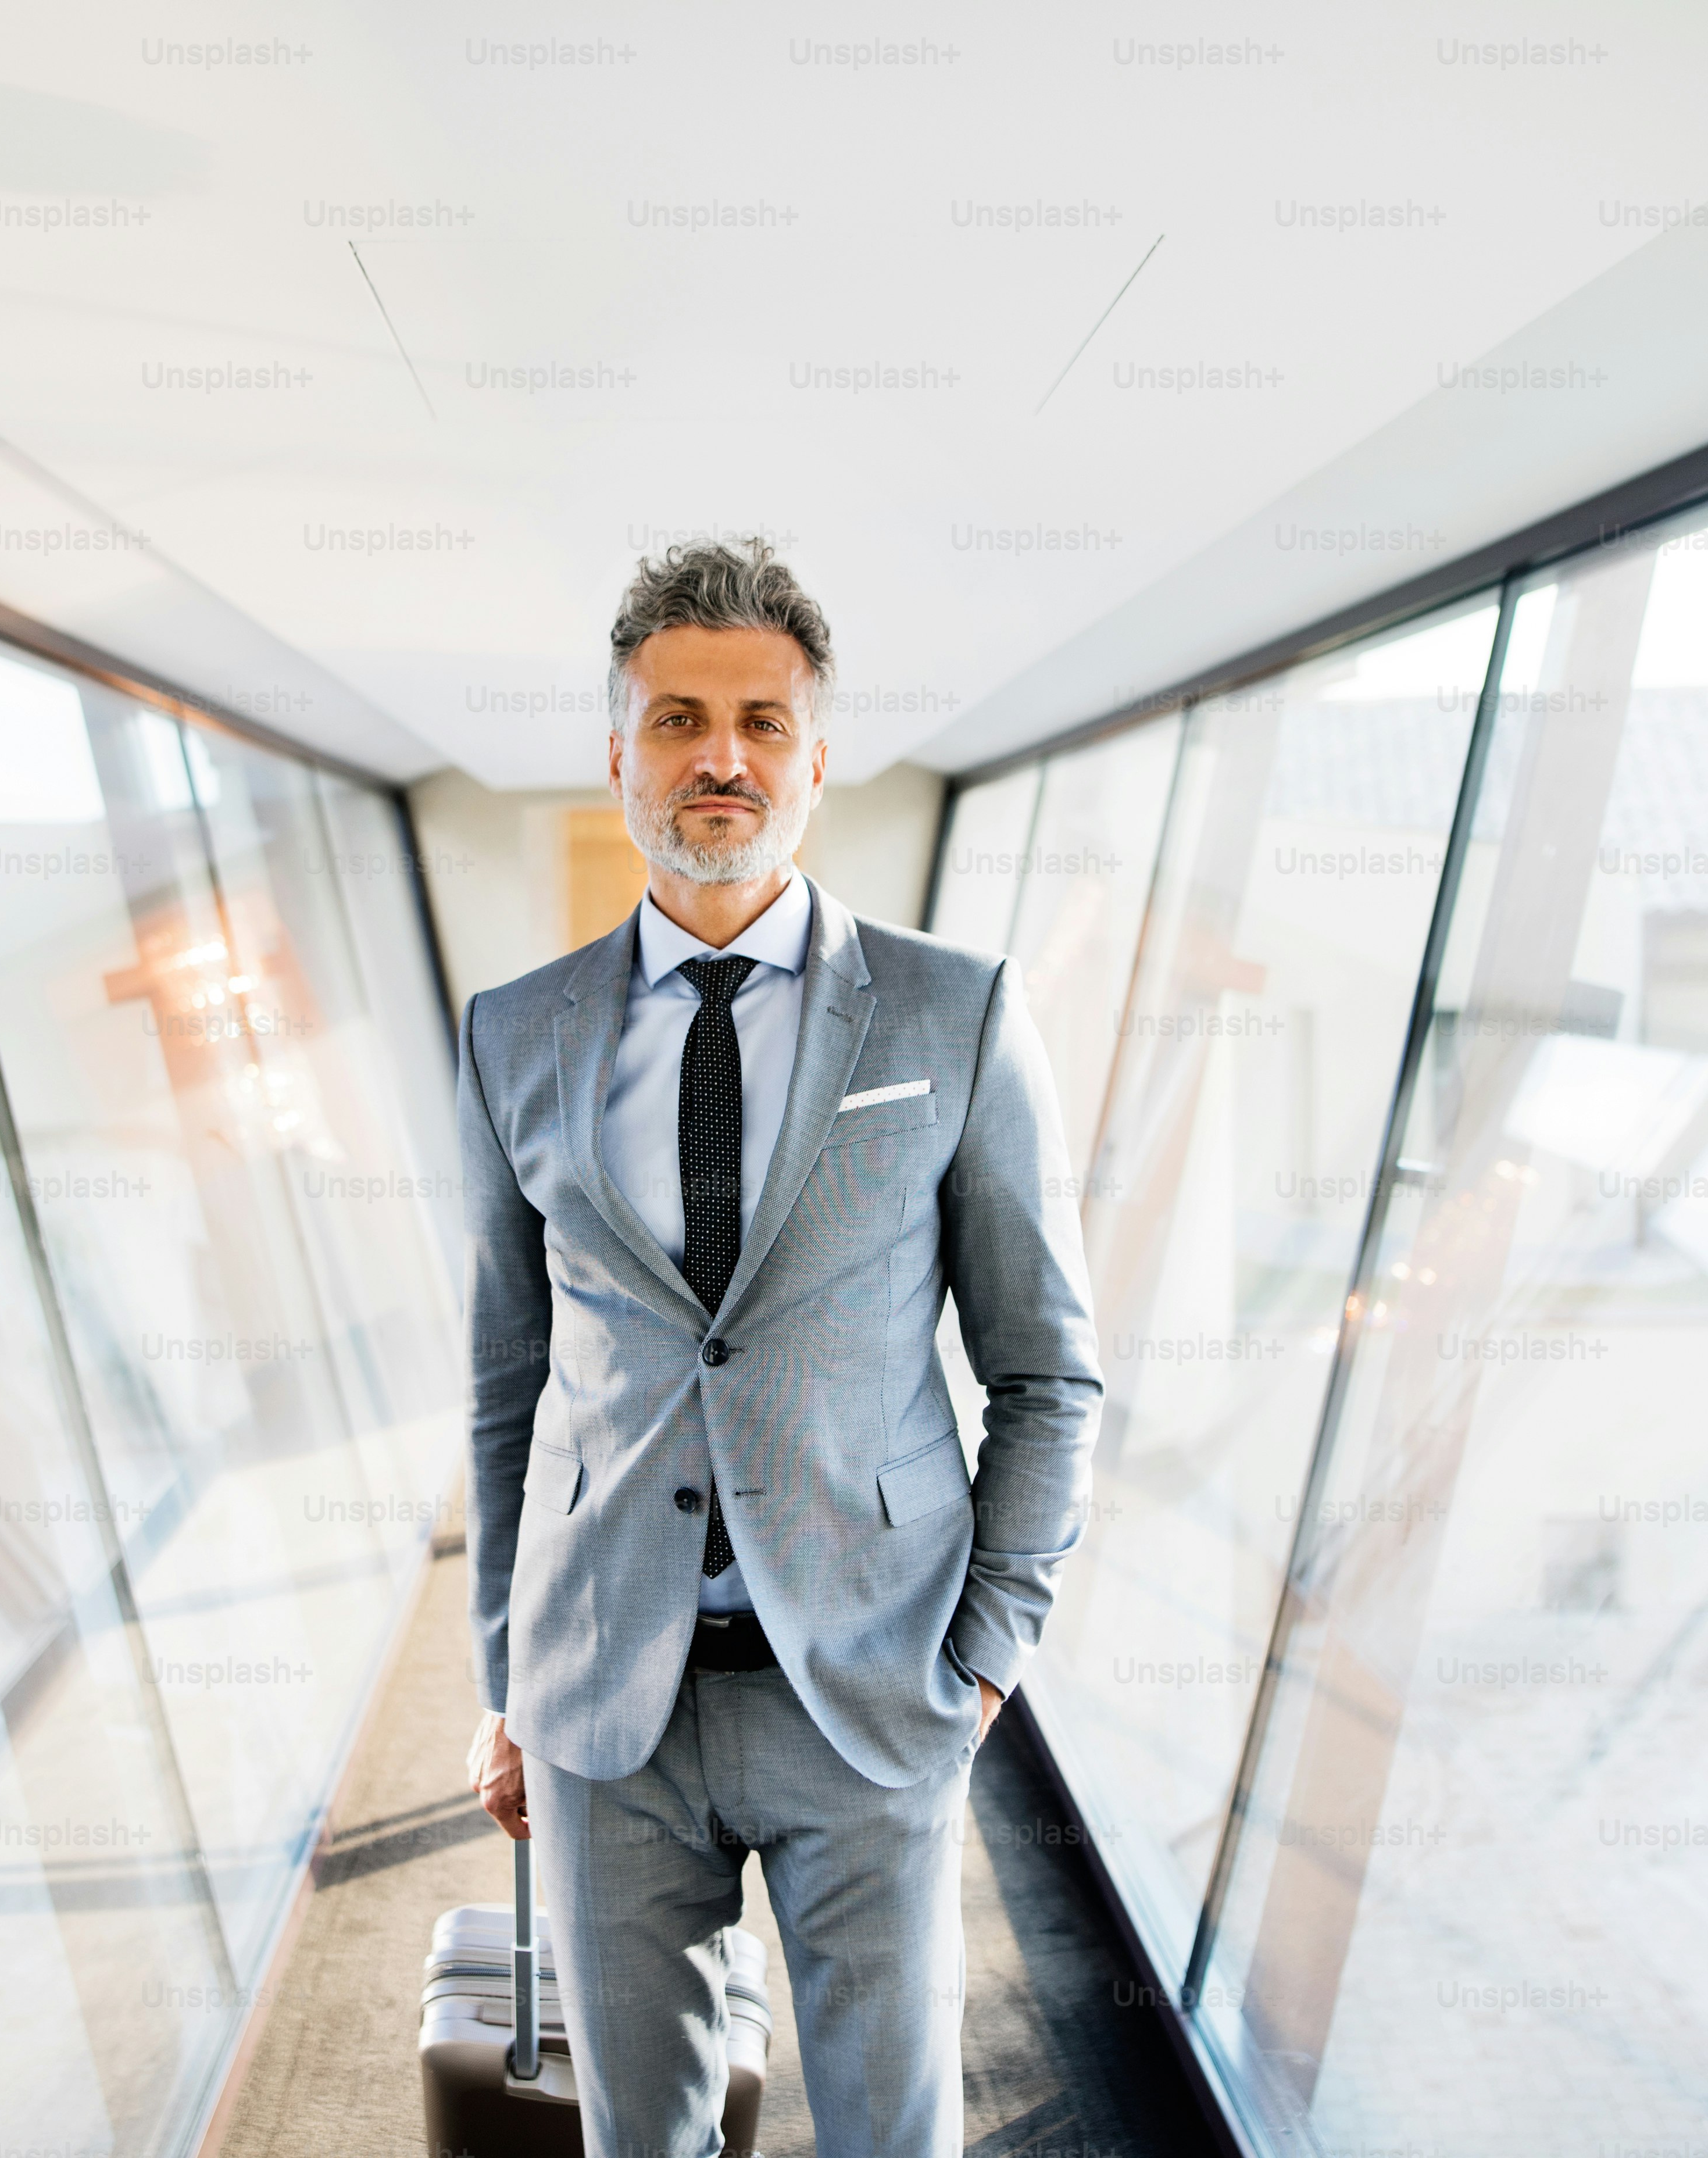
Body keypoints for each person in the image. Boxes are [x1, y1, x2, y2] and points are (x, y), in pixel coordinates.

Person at [459, 540, 1102, 2157]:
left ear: (817, 759)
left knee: (892, 2130)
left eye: (760, 719)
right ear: (620, 756)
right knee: (640, 2137)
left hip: (872, 1686)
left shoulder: (953, 1015)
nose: (721, 756)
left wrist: (989, 1651)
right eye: (677, 719)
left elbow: (1047, 1370)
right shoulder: (514, 1033)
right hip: (608, 1701)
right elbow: (505, 1388)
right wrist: (503, 1677)